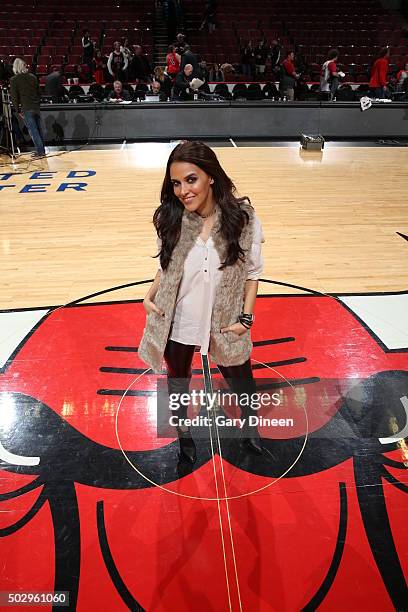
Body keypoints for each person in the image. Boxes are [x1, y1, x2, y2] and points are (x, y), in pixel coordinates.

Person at [138, 141, 264, 462]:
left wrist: (246, 318)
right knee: (178, 382)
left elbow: (252, 273)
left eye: (190, 179)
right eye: (176, 183)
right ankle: (184, 438)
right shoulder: (170, 220)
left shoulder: (242, 220)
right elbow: (165, 267)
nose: (182, 190)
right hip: (178, 318)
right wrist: (149, 295)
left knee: (241, 380)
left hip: (224, 319)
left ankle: (251, 429)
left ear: (210, 177)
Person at [10, 58, 45, 158]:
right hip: (36, 107)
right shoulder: (33, 77)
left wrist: (17, 110)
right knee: (39, 129)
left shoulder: (14, 80)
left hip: (27, 108)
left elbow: (14, 97)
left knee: (33, 130)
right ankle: (42, 150)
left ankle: (40, 152)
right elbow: (38, 92)